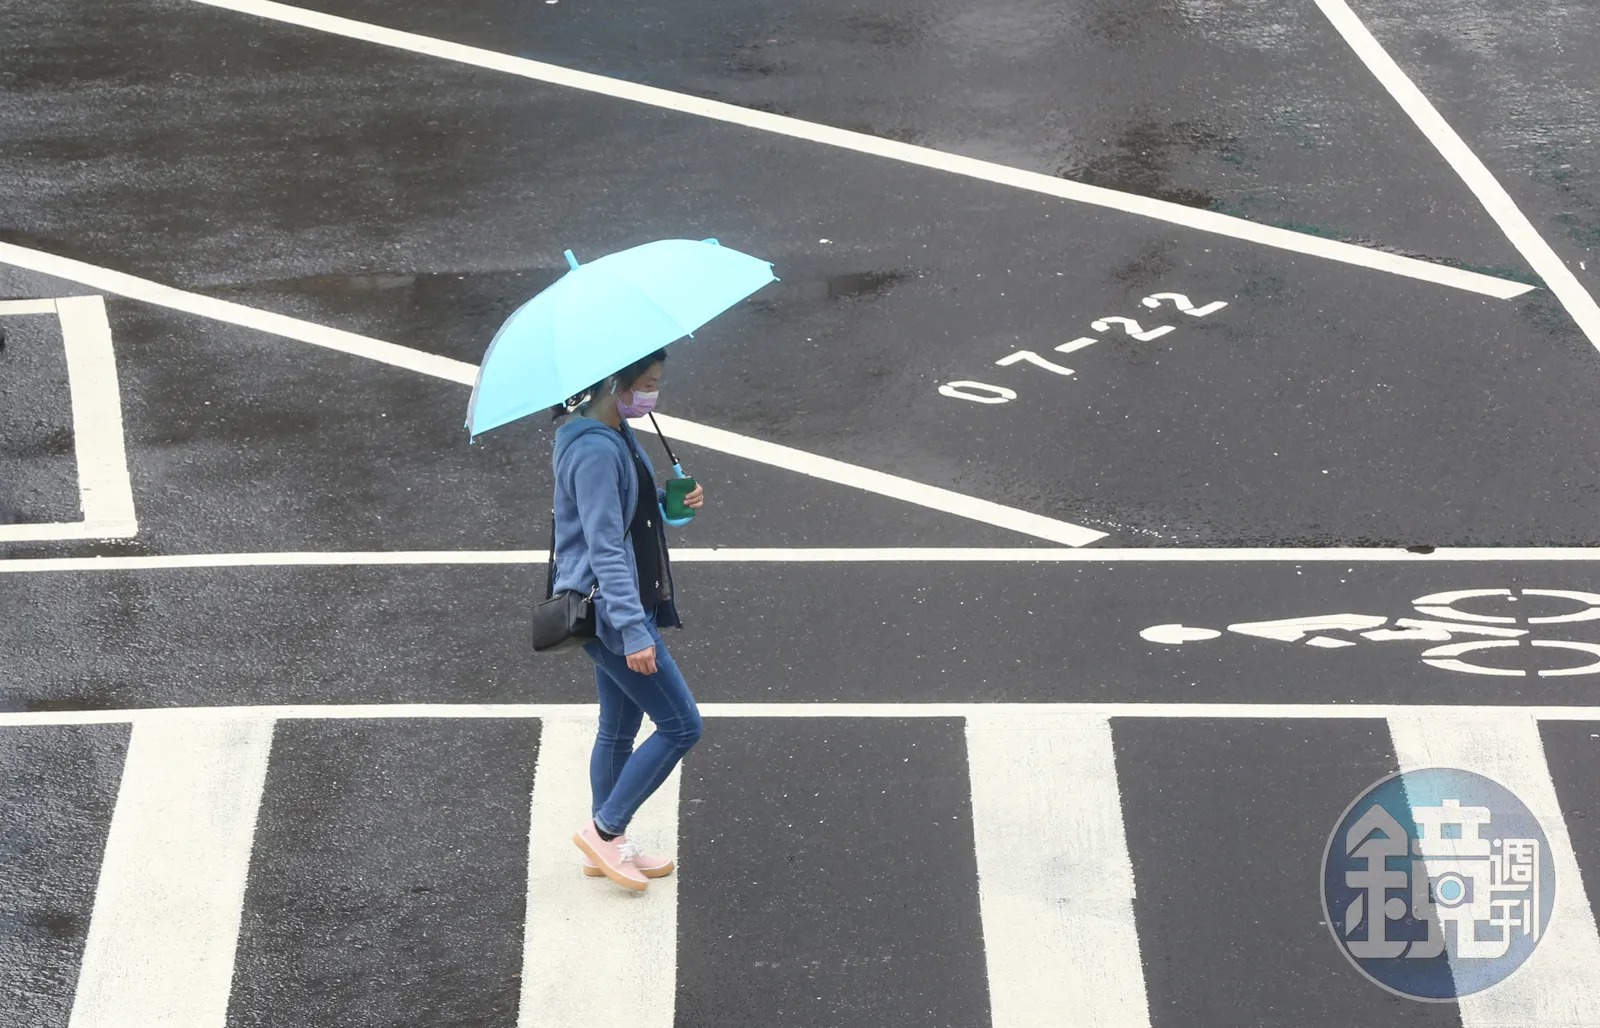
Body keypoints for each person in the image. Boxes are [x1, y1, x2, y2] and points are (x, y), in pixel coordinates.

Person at [550, 348, 705, 892]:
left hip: (615, 606)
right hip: (614, 612)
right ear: (614, 382)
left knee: (617, 730)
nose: (651, 395)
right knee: (683, 726)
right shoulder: (595, 449)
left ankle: (607, 846)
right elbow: (604, 545)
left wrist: (668, 503)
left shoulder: (612, 433)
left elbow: (626, 511)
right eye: (646, 383)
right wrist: (634, 630)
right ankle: (605, 828)